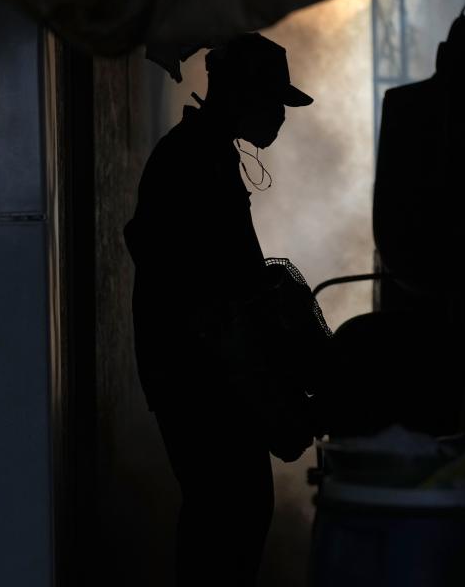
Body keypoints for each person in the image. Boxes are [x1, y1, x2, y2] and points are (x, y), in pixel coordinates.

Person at [124, 33, 314, 586]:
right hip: (197, 373)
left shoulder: (204, 152)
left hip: (201, 368)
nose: (279, 116)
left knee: (230, 511)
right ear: (241, 95)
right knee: (230, 513)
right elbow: (182, 272)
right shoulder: (192, 158)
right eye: (273, 101)